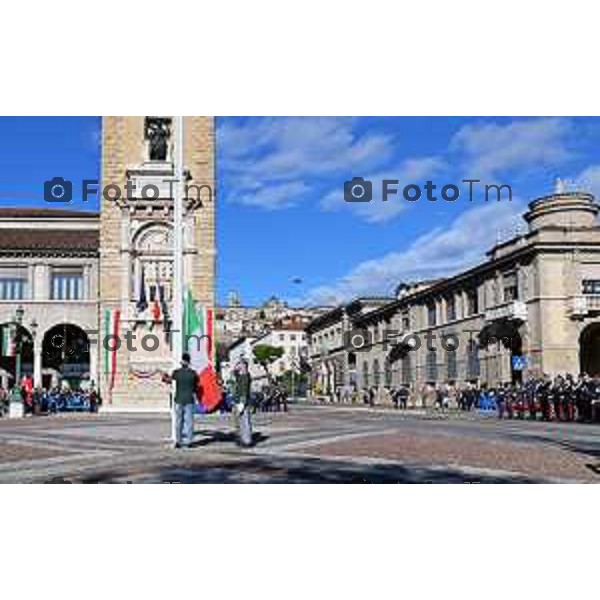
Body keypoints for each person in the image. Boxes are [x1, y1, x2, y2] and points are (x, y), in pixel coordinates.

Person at [163, 353, 200, 449]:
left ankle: (178, 441)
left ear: (182, 361)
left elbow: (168, 380)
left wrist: (164, 376)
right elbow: (197, 386)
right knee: (189, 422)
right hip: (189, 400)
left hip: (178, 399)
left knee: (178, 421)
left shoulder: (177, 372)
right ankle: (189, 441)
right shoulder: (193, 373)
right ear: (189, 362)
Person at [233, 359, 253, 447]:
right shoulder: (240, 375)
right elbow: (234, 372)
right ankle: (242, 439)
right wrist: (236, 368)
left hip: (242, 402)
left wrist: (242, 402)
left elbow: (244, 390)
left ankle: (247, 441)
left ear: (244, 366)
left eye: (240, 364)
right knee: (240, 422)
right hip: (238, 401)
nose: (238, 366)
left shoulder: (245, 376)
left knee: (245, 421)